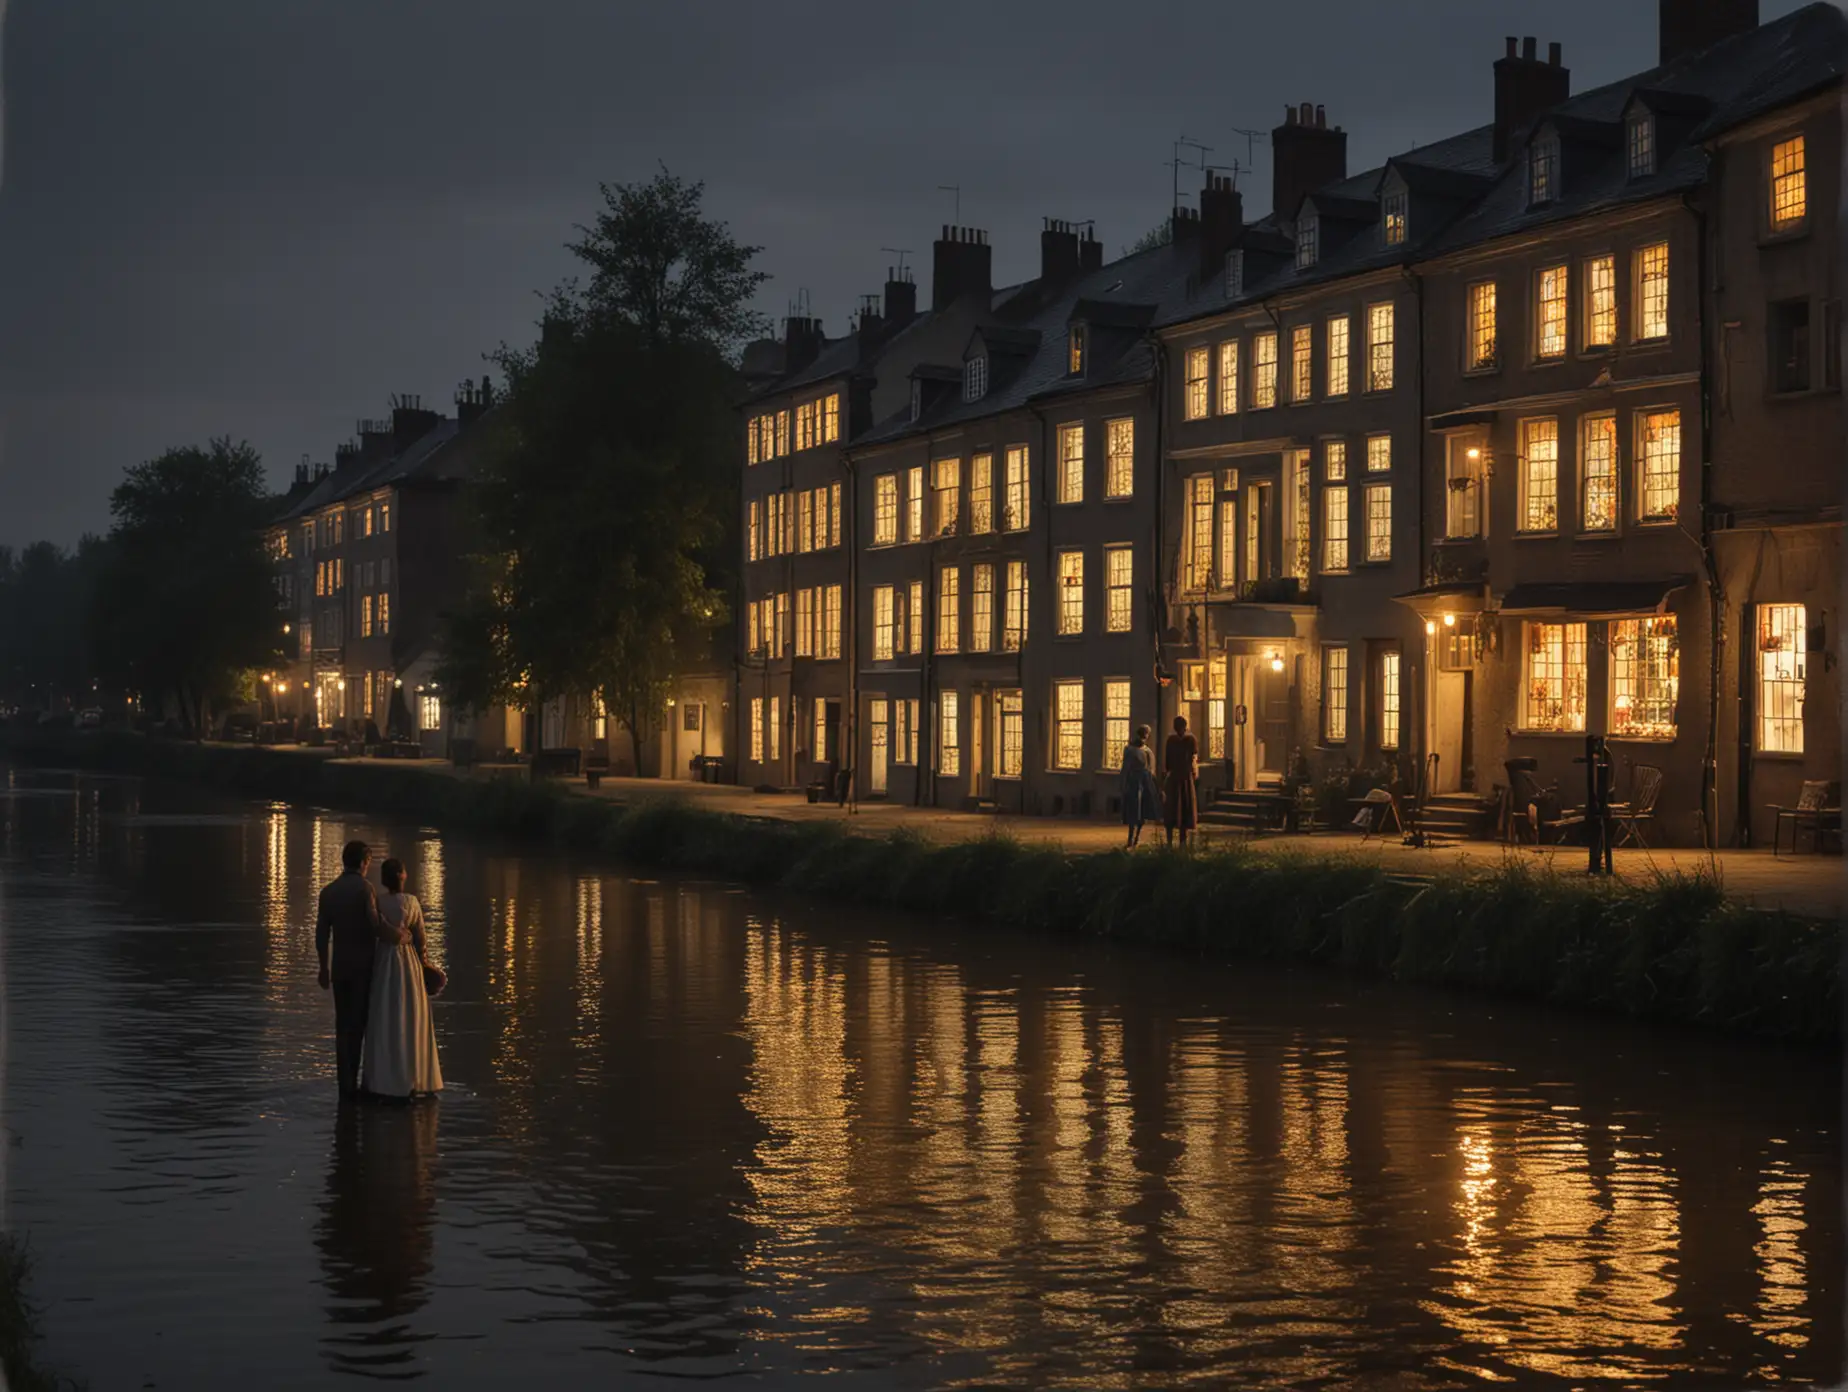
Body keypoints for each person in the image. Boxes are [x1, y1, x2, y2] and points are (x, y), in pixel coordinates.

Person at [316, 839, 402, 1101]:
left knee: (342, 1026)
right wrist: (400, 935)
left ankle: (345, 1084)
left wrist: (323, 967)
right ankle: (354, 1083)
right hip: (363, 968)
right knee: (360, 1025)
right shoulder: (365, 889)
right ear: (364, 863)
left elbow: (321, 934)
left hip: (340, 968)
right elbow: (376, 925)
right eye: (368, 862)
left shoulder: (328, 892)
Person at [363, 859, 444, 1101]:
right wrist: (427, 967)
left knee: (385, 1016)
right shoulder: (412, 902)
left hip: (383, 961)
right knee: (411, 1016)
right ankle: (415, 1077)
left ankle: (383, 1081)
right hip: (408, 964)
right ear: (401, 875)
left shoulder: (377, 901)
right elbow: (421, 940)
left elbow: (373, 931)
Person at [1120, 724, 1163, 848]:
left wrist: (1156, 785)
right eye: (1143, 734)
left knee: (1143, 811)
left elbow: (1151, 769)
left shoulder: (1147, 751)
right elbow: (1126, 768)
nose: (1144, 738)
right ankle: (1130, 838)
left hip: (1146, 781)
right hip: (1134, 781)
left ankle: (1136, 838)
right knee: (1134, 810)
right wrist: (1123, 783)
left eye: (1146, 735)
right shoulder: (1130, 750)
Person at [1163, 715, 1199, 847]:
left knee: (1172, 808)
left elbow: (1167, 762)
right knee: (1184, 807)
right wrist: (1194, 774)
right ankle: (1182, 842)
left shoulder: (1171, 740)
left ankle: (1169, 842)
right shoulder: (1190, 740)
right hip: (1185, 777)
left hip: (1174, 777)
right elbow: (1194, 758)